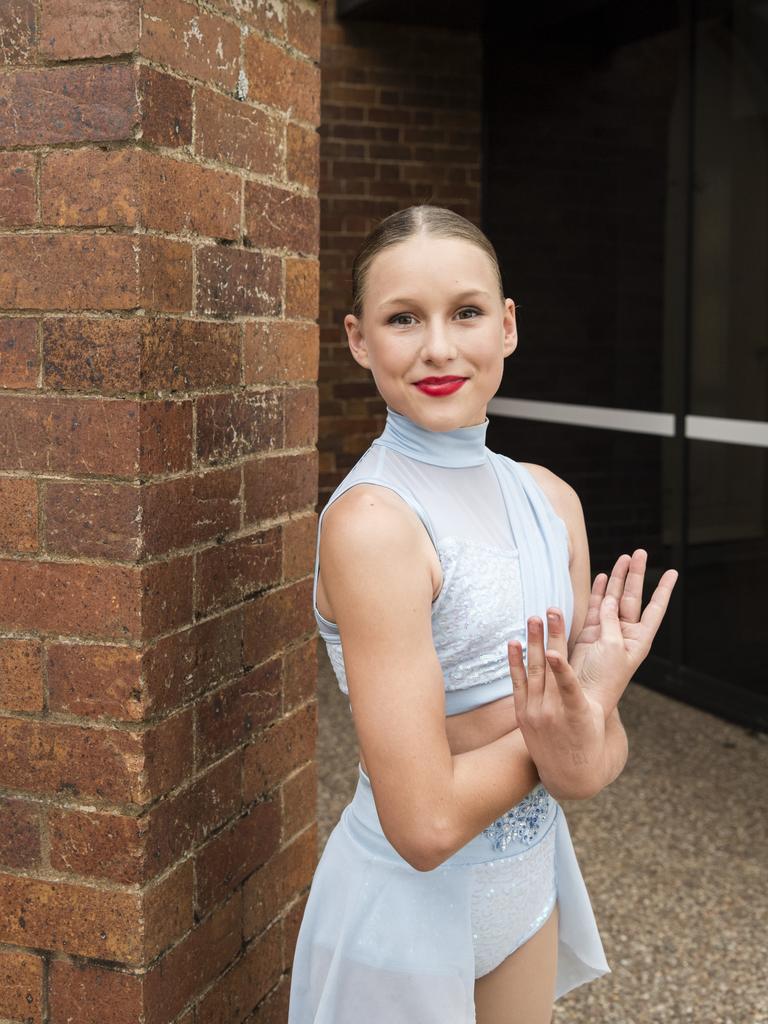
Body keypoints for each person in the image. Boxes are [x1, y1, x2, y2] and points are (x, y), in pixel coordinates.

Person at [287, 204, 678, 1024]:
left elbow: (589, 771)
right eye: (403, 319)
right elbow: (425, 824)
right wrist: (579, 711)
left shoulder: (551, 501)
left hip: (528, 894)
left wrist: (590, 717)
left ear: (506, 327)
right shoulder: (375, 524)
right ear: (360, 340)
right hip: (401, 920)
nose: (438, 347)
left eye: (465, 313)